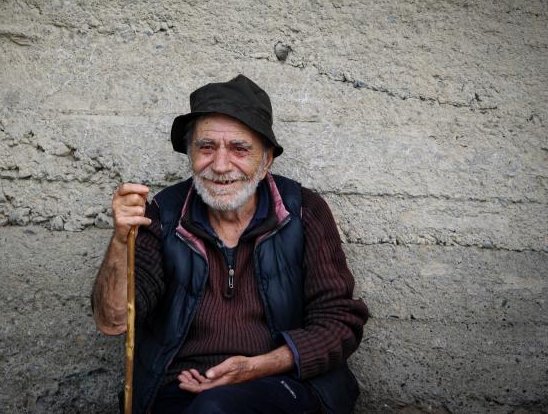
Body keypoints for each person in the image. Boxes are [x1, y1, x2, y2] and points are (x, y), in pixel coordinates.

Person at [92, 75, 369, 414]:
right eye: (206, 147)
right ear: (191, 154)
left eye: (240, 149)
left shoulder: (303, 211)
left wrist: (258, 366)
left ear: (266, 160)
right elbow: (114, 321)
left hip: (283, 380)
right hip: (181, 384)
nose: (221, 165)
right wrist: (121, 240)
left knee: (216, 409)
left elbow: (339, 322)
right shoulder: (162, 215)